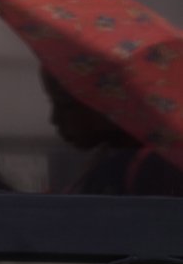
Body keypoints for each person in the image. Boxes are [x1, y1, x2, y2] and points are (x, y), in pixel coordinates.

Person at [41, 68, 183, 197]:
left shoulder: (153, 167)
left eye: (65, 105)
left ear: (104, 102)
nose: (54, 119)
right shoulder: (104, 159)